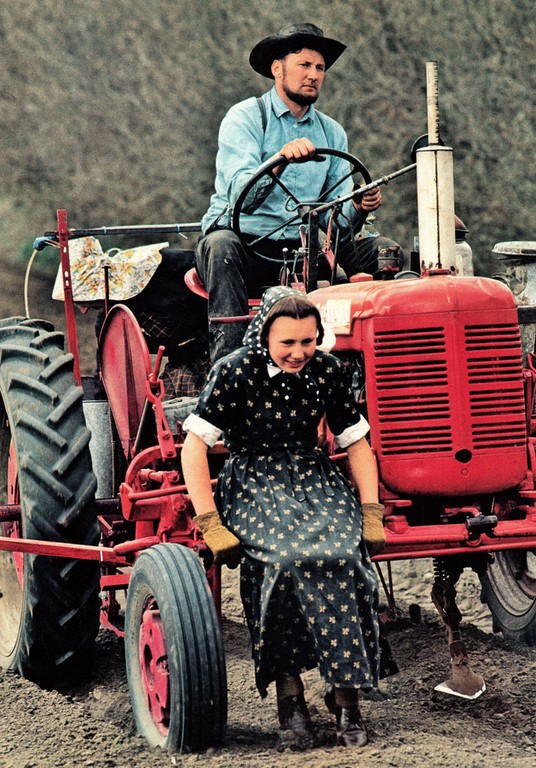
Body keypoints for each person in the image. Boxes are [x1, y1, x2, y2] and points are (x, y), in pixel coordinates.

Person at [180, 286, 391, 748]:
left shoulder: (329, 371)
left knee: (345, 554)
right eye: (288, 343)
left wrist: (371, 510)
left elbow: (356, 442)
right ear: (264, 339)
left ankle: (346, 697)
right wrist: (210, 521)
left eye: (308, 341)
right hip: (253, 479)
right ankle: (289, 695)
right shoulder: (234, 371)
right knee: (284, 561)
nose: (299, 353)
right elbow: (194, 447)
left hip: (312, 476)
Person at [196, 22, 404, 362]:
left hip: (301, 252)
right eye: (304, 65)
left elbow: (336, 223)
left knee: (383, 251)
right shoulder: (247, 118)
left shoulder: (332, 132)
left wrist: (358, 204)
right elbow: (242, 200)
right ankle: (229, 366)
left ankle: (376, 361)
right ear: (277, 69)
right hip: (246, 250)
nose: (314, 75)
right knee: (222, 246)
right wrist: (278, 161)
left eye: (320, 68)